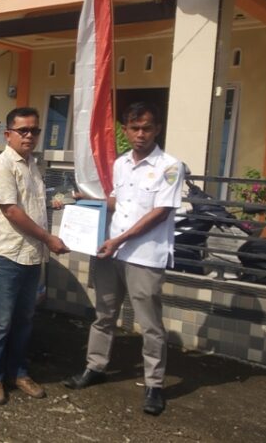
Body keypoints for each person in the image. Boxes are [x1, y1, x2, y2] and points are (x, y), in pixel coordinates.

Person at [63, 102, 183, 416]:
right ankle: (95, 367)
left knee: (150, 324)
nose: (140, 134)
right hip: (111, 252)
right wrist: (89, 202)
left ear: (157, 130)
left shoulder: (170, 166)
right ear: (126, 130)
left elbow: (160, 213)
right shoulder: (121, 164)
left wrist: (119, 239)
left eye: (147, 128)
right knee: (104, 314)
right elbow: (119, 203)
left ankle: (154, 385)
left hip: (145, 256)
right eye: (134, 128)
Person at [0, 106, 70, 405]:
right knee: (0, 323)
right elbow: (11, 210)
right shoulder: (2, 166)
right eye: (23, 130)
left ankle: (19, 373)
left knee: (24, 320)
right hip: (6, 256)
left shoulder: (33, 166)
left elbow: (35, 204)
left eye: (35, 130)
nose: (29, 135)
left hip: (32, 256)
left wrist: (68, 200)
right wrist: (49, 238)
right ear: (8, 134)